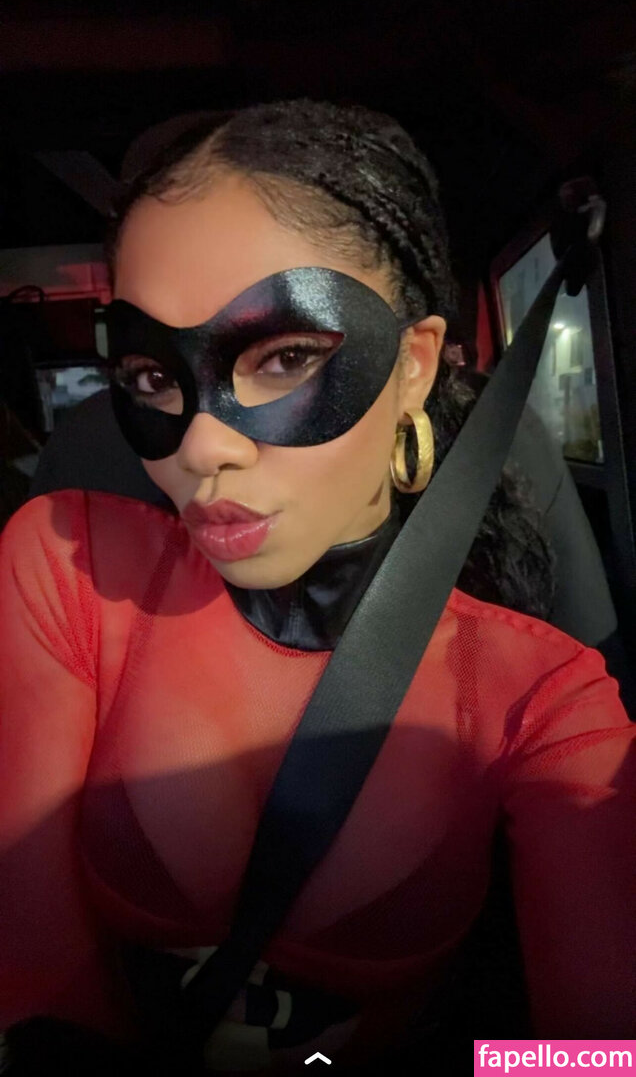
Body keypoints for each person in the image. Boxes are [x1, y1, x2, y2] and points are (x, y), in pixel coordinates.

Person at [0, 100, 634, 1076]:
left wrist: (479, 1067)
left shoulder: (540, 696)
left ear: (412, 366)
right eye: (152, 375)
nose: (202, 447)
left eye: (287, 358)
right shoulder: (66, 564)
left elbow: (600, 1053)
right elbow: (31, 967)